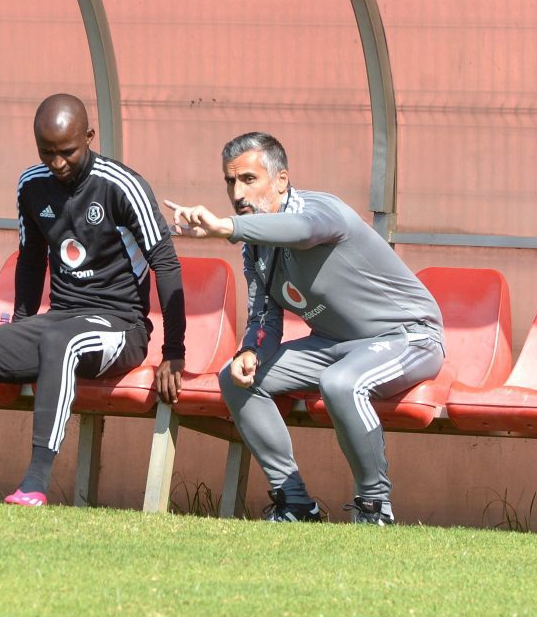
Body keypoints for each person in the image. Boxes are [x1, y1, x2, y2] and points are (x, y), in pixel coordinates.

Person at [0, 93, 186, 505]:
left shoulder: (122, 186)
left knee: (60, 342)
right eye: (47, 153)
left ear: (90, 137)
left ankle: (35, 482)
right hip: (57, 321)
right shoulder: (32, 185)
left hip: (121, 327)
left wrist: (174, 352)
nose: (57, 164)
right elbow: (30, 263)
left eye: (67, 152)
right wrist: (20, 326)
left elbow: (166, 265)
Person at [165, 132, 444, 525]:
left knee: (342, 383)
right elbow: (263, 315)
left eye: (249, 179)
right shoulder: (255, 244)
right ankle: (295, 503)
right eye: (231, 182)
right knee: (236, 378)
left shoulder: (323, 211)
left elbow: (302, 231)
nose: (238, 192)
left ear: (280, 180)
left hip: (408, 338)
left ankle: (374, 506)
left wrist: (227, 227)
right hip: (332, 345)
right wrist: (251, 351)